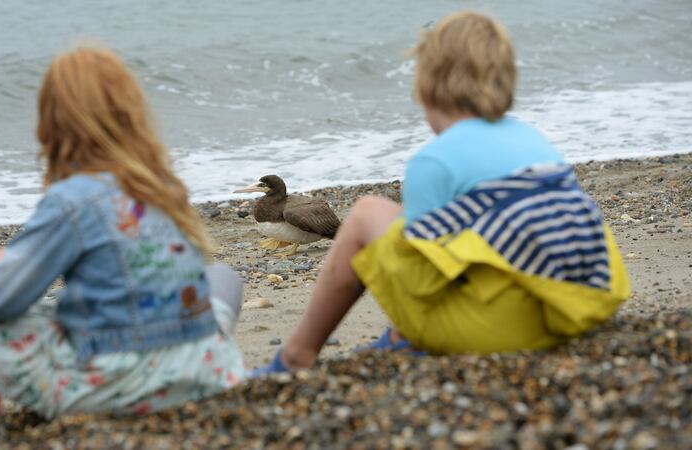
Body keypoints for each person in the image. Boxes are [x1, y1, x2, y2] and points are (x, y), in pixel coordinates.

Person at [254, 11, 630, 374]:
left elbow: (423, 282)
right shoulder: (534, 140)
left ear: (427, 87)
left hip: (505, 330)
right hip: (582, 308)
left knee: (369, 212)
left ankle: (299, 355)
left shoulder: (434, 162)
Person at [0, 47, 247, 426]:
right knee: (222, 276)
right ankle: (188, 359)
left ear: (52, 122)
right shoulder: (163, 188)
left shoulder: (72, 200)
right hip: (209, 372)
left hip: (118, 387)